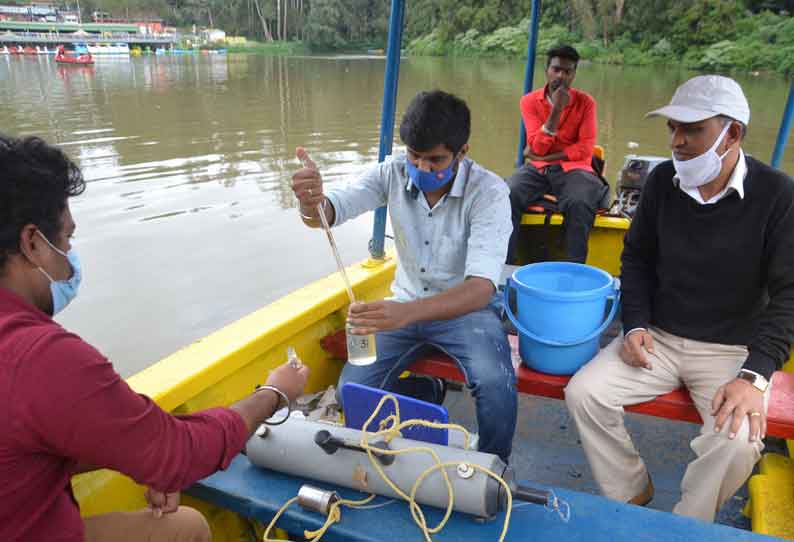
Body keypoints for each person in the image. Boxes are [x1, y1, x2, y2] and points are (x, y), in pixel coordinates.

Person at [0, 134, 310, 541]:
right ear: (34, 243)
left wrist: (141, 454)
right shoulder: (41, 358)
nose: (70, 259)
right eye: (67, 238)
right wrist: (274, 395)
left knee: (185, 527)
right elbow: (179, 455)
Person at [564, 75, 794, 522]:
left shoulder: (778, 195)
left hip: (732, 352)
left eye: (693, 129)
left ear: (733, 134)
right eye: (673, 128)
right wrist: (634, 326)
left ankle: (684, 525)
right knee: (584, 393)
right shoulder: (663, 180)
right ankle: (631, 491)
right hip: (660, 340)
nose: (678, 141)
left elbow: (789, 296)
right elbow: (636, 261)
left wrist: (754, 378)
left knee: (738, 443)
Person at [291, 90, 517, 461]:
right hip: (405, 304)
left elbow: (480, 289)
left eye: (435, 160)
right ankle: (425, 392)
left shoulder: (489, 192)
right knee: (352, 392)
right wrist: (309, 201)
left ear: (462, 152)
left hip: (467, 312)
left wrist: (404, 314)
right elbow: (328, 214)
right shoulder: (392, 171)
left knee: (495, 385)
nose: (422, 168)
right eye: (414, 156)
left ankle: (493, 470)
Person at [505, 44, 606, 264]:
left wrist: (544, 158)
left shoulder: (586, 102)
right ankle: (505, 268)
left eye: (567, 71)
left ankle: (574, 269)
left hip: (575, 169)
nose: (561, 76)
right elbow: (537, 147)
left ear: (574, 74)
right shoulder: (529, 101)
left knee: (579, 203)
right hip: (538, 170)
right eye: (556, 69)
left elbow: (585, 149)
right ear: (547, 70)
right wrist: (557, 110)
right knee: (507, 194)